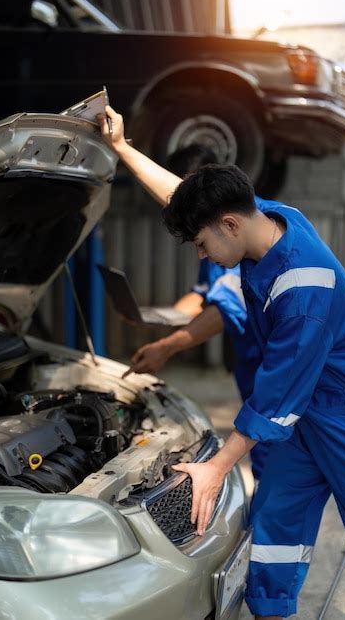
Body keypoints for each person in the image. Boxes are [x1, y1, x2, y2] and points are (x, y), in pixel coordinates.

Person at [98, 106, 345, 619]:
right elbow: (180, 194)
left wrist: (214, 469)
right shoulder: (263, 219)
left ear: (228, 225)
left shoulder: (305, 291)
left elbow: (274, 399)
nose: (202, 257)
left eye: (202, 245)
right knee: (274, 524)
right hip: (306, 413)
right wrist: (121, 148)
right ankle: (271, 611)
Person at [128, 143, 268, 480]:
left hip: (274, 371)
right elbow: (204, 296)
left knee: (279, 464)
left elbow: (225, 308)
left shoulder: (247, 230)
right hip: (252, 367)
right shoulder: (220, 235)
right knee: (270, 473)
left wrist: (167, 347)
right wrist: (159, 317)